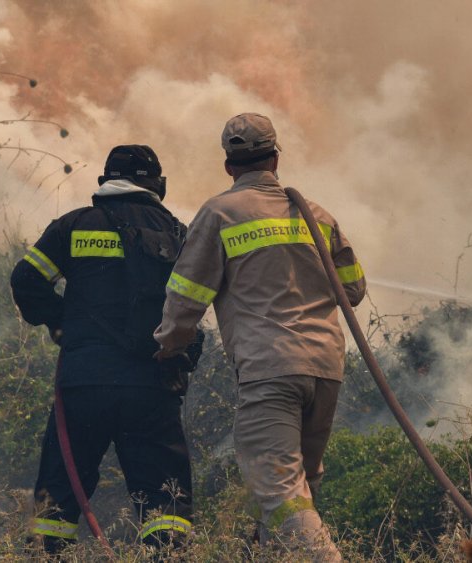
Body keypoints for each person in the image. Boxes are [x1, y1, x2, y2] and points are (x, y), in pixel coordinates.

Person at [154, 113, 366, 561]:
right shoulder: (317, 216)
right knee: (298, 490)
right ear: (275, 158)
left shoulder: (220, 213)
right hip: (325, 371)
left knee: (279, 491)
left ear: (229, 166)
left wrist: (168, 343)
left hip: (269, 370)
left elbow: (187, 293)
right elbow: (353, 288)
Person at [10, 145, 199, 556]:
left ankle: (46, 554)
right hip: (151, 385)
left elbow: (26, 280)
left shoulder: (73, 226)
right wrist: (184, 353)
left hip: (83, 384)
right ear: (156, 184)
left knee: (57, 495)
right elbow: (192, 306)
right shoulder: (176, 233)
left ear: (104, 181)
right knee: (164, 501)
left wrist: (62, 323)